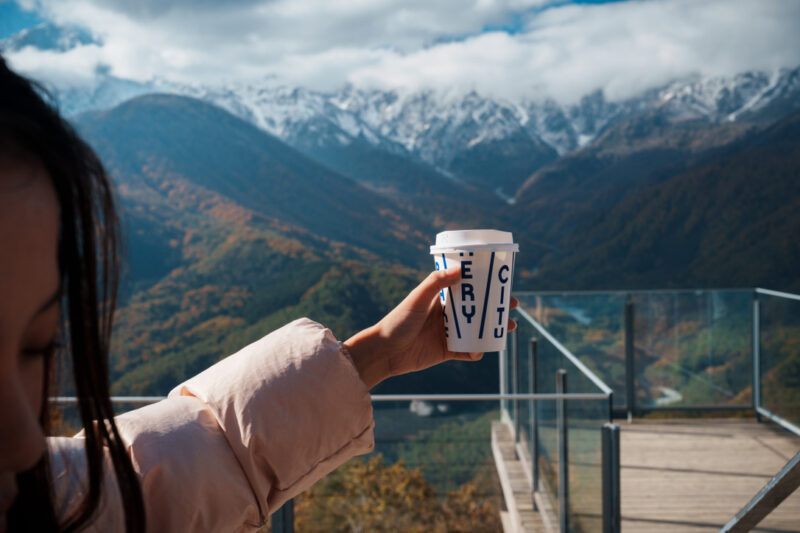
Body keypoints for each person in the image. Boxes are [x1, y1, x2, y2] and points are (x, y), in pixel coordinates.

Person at [0, 56, 517, 532]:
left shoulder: (48, 499)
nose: (25, 441)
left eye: (38, 347)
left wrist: (374, 353)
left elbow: (161, 478)